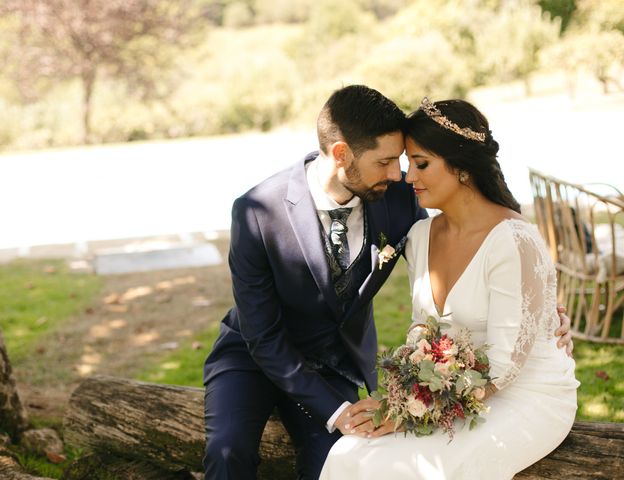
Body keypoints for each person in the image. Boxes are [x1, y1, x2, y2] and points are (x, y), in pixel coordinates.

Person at [203, 86, 573, 480]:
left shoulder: (399, 199)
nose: (399, 174)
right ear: (342, 154)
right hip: (251, 356)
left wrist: (544, 311)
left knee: (333, 461)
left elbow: (494, 251)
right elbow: (263, 335)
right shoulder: (257, 211)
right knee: (228, 453)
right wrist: (349, 409)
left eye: (406, 162)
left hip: (334, 364)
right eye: (386, 162)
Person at [319, 98, 580, 480]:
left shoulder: (511, 239)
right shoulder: (420, 235)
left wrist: (408, 412)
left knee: (413, 470)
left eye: (421, 164)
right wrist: (397, 398)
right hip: (452, 393)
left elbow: (505, 367)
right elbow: (421, 331)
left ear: (461, 168)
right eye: (407, 164)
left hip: (526, 395)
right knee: (347, 453)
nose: (408, 178)